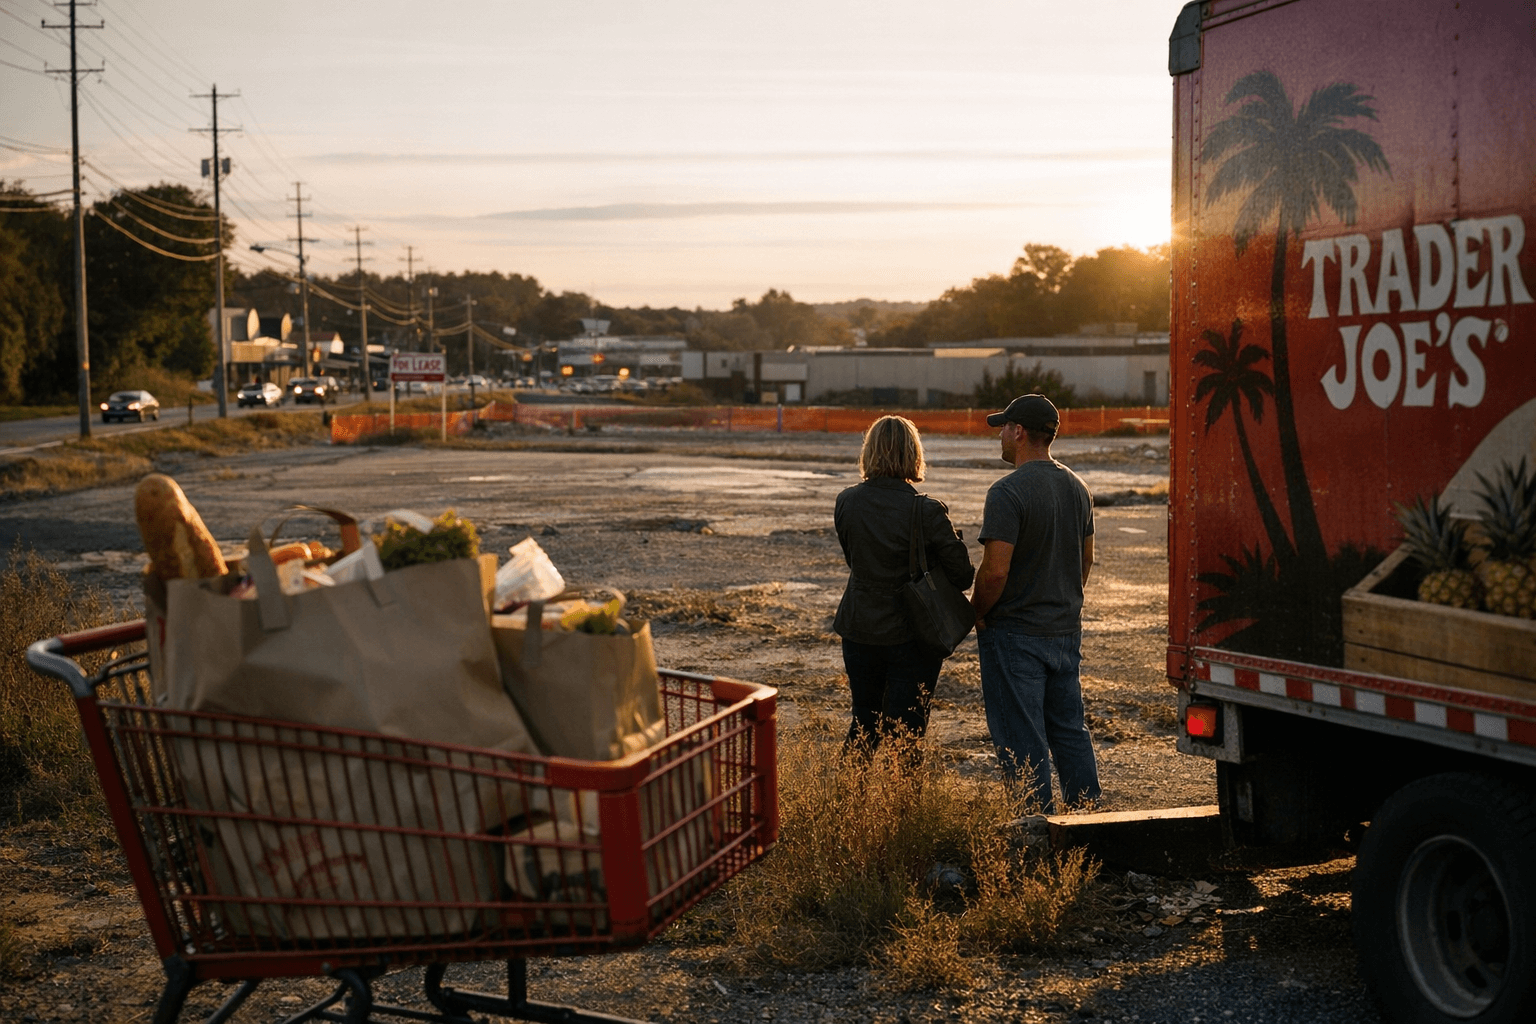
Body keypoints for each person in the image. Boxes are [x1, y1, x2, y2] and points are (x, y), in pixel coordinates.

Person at [970, 394, 1099, 812]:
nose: (1000, 438)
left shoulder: (1007, 492)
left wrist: (975, 614)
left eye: (1003, 429)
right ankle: (1087, 822)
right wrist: (1061, 603)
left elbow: (994, 573)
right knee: (1069, 732)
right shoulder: (1078, 488)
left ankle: (1034, 832)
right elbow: (1087, 559)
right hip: (1063, 632)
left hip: (1015, 636)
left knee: (1022, 740)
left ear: (1019, 432)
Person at [833, 415, 974, 753]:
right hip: (913, 635)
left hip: (858, 628)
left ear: (870, 453)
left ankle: (847, 798)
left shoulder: (847, 501)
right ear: (914, 454)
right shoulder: (926, 510)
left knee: (864, 723)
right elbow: (963, 577)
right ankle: (901, 802)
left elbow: (854, 560)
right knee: (907, 732)